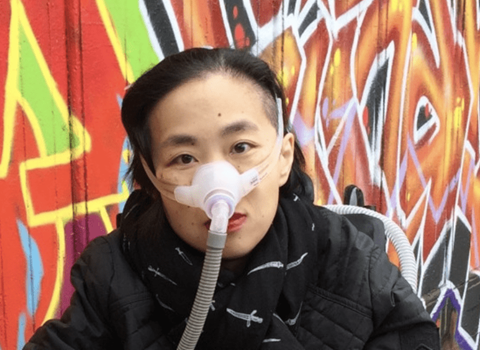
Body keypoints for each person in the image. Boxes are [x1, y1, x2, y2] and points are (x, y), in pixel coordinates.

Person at [24, 48, 440, 349]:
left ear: (283, 156)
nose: (216, 180)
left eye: (240, 147)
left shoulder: (350, 262)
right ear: (151, 179)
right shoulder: (112, 277)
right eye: (184, 157)